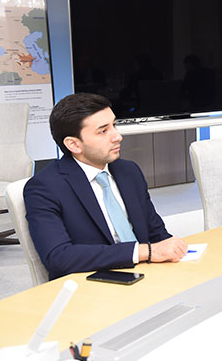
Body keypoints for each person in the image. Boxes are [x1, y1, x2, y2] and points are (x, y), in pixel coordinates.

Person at [24, 93, 187, 280]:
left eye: (114, 125)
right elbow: (59, 258)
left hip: (148, 274)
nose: (117, 136)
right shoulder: (44, 187)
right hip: (94, 282)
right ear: (74, 144)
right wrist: (144, 252)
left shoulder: (129, 171)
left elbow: (157, 233)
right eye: (103, 131)